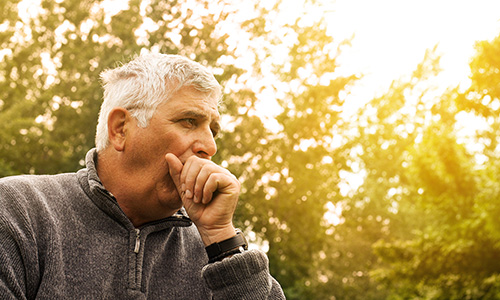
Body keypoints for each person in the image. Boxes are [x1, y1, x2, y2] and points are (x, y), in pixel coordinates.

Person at [0, 53, 285, 299]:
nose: (210, 146)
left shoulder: (214, 250)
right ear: (121, 129)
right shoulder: (19, 211)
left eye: (213, 131)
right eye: (189, 121)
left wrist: (221, 239)